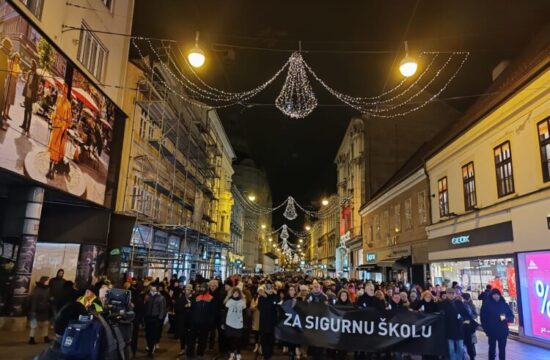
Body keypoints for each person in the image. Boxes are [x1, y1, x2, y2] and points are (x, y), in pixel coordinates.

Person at [46, 83, 72, 180]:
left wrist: (64, 126)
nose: (64, 92)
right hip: (56, 126)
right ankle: (49, 169)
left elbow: (69, 120)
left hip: (62, 130)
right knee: (52, 149)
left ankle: (52, 170)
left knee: (57, 151)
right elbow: (55, 112)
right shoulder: (59, 99)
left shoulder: (69, 105)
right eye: (63, 90)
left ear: (67, 92)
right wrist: (53, 118)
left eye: (65, 91)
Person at [480, 288, 514, 360]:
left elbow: (511, 316)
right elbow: (483, 318)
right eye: (494, 294)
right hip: (492, 331)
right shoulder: (487, 305)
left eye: (497, 294)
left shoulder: (504, 304)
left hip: (502, 331)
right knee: (492, 349)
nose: (496, 296)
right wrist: (486, 330)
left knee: (502, 350)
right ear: (491, 295)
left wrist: (506, 319)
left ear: (500, 295)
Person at [438, 288, 472, 360]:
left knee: (460, 347)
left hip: (459, 329)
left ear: (455, 294)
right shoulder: (443, 303)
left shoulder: (459, 303)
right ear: (446, 294)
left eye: (452, 293)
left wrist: (463, 321)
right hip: (449, 329)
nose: (451, 295)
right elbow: (439, 314)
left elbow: (466, 314)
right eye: (449, 293)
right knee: (451, 349)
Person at [187, 283, 215, 358]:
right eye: (201, 288)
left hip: (205, 323)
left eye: (203, 288)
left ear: (206, 289)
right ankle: (190, 354)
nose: (202, 289)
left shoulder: (211, 298)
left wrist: (210, 323)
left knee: (203, 339)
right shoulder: (196, 298)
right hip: (195, 322)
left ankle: (200, 353)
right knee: (191, 339)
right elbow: (192, 310)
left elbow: (212, 312)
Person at [144, 285, 167, 358]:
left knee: (152, 335)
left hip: (155, 319)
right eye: (151, 289)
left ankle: (150, 351)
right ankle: (149, 346)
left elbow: (162, 309)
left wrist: (160, 319)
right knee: (147, 334)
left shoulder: (161, 298)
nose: (152, 291)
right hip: (148, 318)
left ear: (157, 290)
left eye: (154, 289)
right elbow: (145, 306)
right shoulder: (147, 296)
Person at [28, 276, 52, 344]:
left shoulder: (47, 289)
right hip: (37, 309)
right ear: (43, 281)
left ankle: (45, 337)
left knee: (46, 323)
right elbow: (34, 300)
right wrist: (33, 310)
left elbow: (48, 298)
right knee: (34, 324)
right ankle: (31, 338)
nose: (48, 282)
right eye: (47, 281)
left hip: (45, 308)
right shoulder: (37, 289)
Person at [225, 287, 247, 360]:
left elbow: (244, 313)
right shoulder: (229, 301)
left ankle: (238, 353)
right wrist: (223, 322)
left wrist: (245, 323)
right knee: (230, 339)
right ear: (232, 293)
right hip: (229, 323)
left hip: (238, 323)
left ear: (239, 294)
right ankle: (231, 353)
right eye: (234, 293)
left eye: (237, 293)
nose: (235, 294)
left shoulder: (242, 302)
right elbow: (225, 312)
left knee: (238, 339)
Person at [257, 284, 278, 360]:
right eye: (268, 289)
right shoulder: (261, 298)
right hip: (263, 322)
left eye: (270, 289)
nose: (269, 290)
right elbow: (259, 308)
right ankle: (265, 355)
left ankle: (269, 353)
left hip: (272, 322)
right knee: (263, 339)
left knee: (271, 339)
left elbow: (275, 305)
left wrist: (270, 299)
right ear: (265, 289)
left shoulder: (275, 297)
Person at [21, 59, 39, 134]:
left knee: (29, 111)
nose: (30, 65)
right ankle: (24, 124)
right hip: (27, 93)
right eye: (30, 64)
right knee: (25, 109)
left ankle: (27, 128)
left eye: (32, 64)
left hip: (31, 95)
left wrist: (32, 86)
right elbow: (26, 82)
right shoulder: (29, 72)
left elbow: (36, 87)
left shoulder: (36, 75)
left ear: (34, 66)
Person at [174, 284, 193, 357]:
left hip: (190, 320)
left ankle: (189, 349)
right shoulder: (181, 298)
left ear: (191, 290)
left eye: (189, 289)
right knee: (182, 335)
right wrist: (184, 306)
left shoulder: (194, 298)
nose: (187, 290)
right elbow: (176, 308)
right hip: (182, 320)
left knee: (189, 336)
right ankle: (182, 349)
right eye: (186, 289)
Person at [2, 51, 21, 120]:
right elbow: (9, 70)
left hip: (14, 82)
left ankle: (7, 113)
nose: (17, 59)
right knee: (6, 97)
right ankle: (3, 112)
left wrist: (16, 77)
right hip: (10, 80)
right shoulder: (10, 62)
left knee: (11, 99)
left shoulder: (18, 65)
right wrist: (12, 73)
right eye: (16, 57)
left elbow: (18, 75)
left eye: (18, 58)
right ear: (14, 57)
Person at [0, 37, 12, 131]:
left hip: (1, 81)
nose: (9, 50)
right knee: (1, 102)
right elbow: (4, 71)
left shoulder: (2, 53)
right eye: (9, 48)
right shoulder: (2, 54)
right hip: (0, 81)